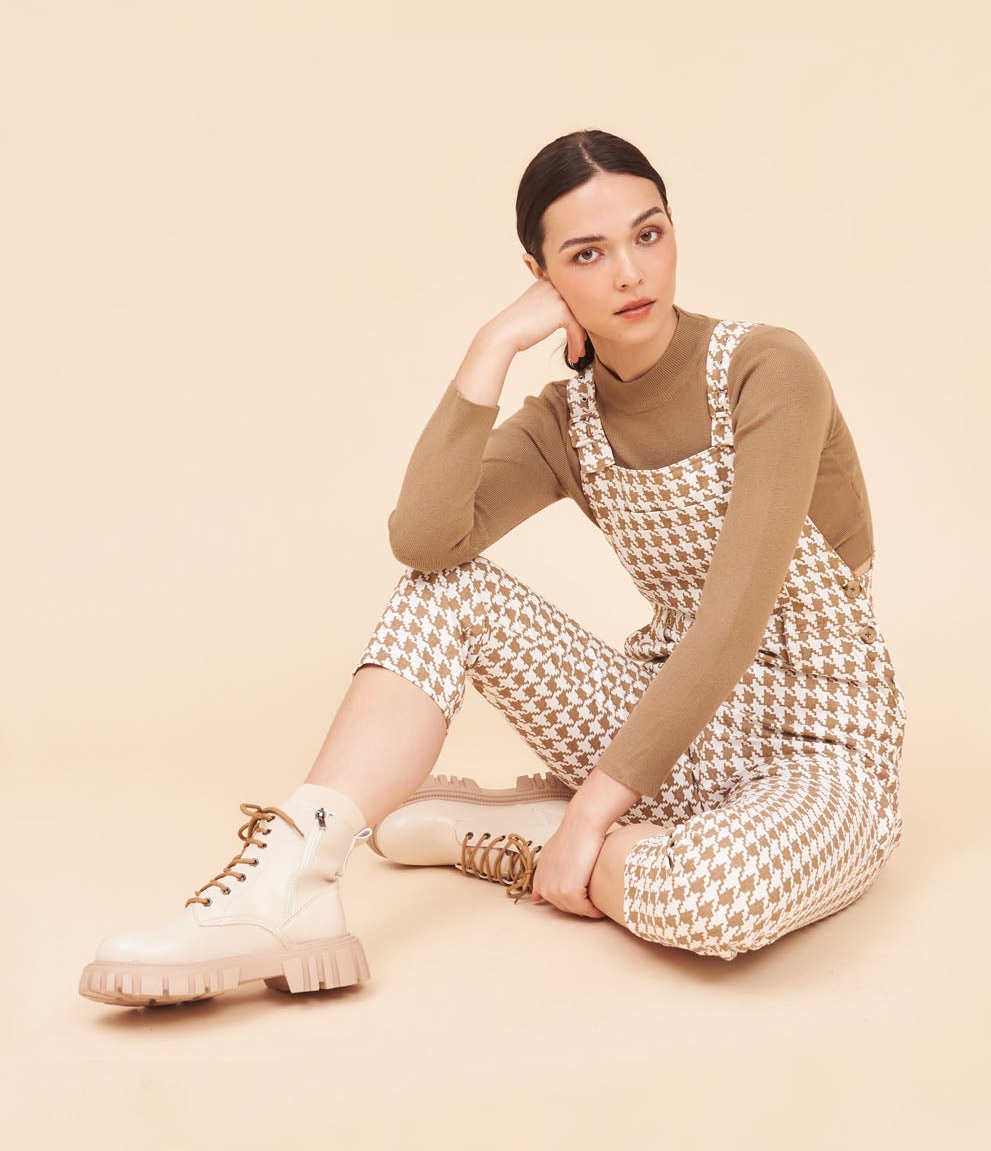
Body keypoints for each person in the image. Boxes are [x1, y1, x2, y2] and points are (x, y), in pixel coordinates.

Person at [79, 129, 908, 1008]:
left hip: (820, 752)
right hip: (664, 727)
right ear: (541, 276)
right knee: (447, 591)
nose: (630, 273)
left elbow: (732, 620)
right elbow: (426, 541)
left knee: (714, 901)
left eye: (648, 234)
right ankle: (288, 884)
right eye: (587, 254)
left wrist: (588, 815)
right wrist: (491, 348)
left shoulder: (768, 369)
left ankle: (549, 836)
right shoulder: (567, 421)